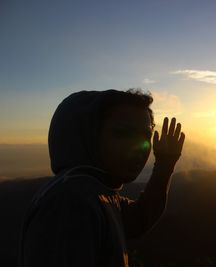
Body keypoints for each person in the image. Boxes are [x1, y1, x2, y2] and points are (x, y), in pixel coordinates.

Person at [19, 89, 185, 267]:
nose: (139, 147)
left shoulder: (98, 193)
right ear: (87, 135)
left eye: (146, 135)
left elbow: (138, 219)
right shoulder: (72, 202)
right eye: (122, 134)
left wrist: (165, 164)